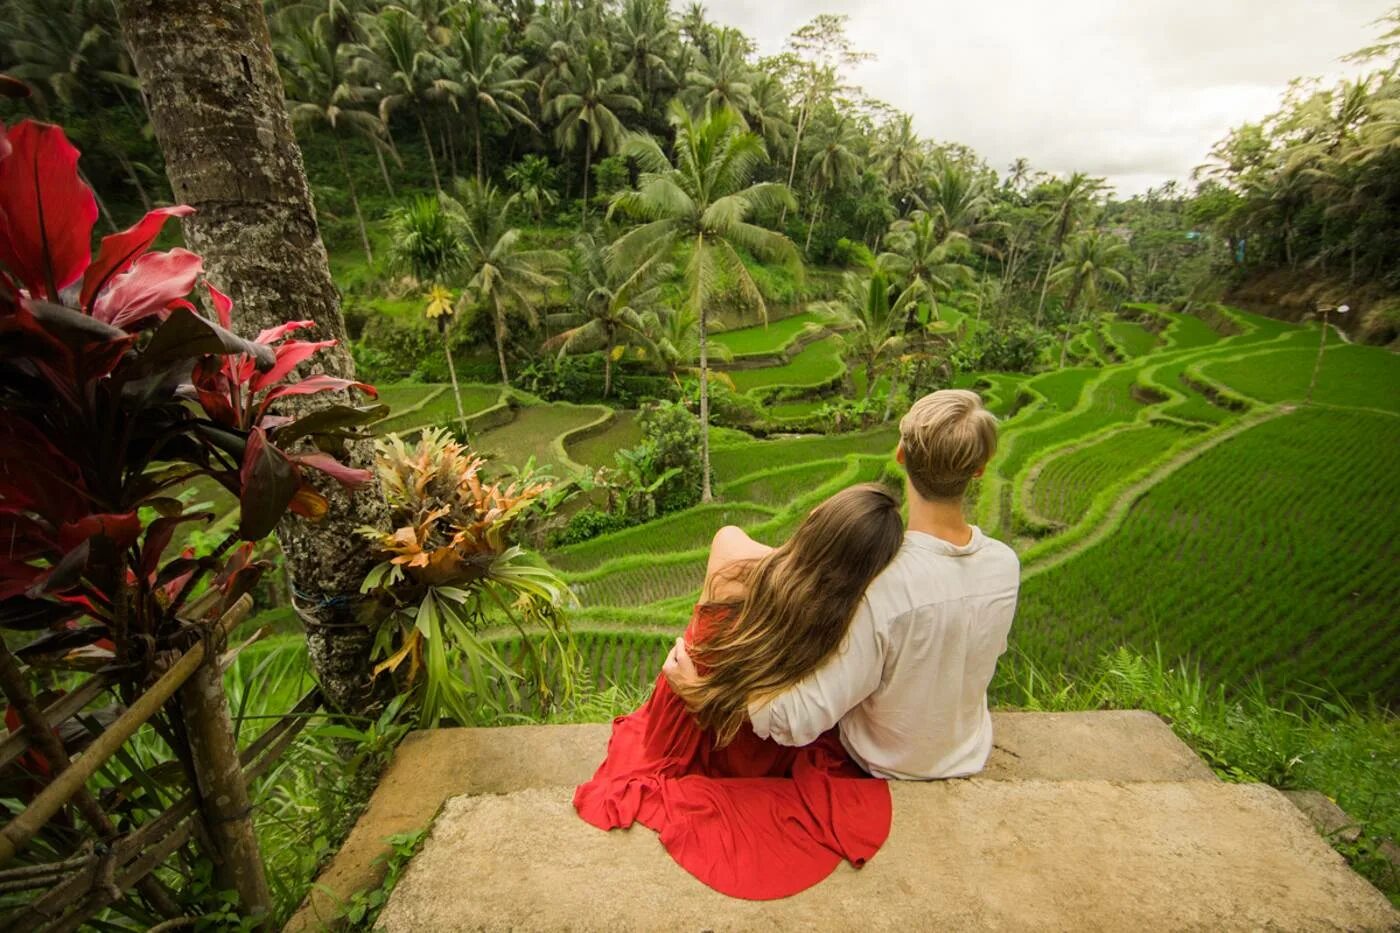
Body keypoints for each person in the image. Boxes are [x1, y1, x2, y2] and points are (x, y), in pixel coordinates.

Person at [665, 388, 1020, 780]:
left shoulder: (881, 584)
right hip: (966, 750)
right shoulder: (1004, 565)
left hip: (883, 763)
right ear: (980, 468)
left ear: (901, 455)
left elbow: (798, 717)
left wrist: (700, 691)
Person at [573, 483, 905, 900]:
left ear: (815, 521)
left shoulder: (732, 552)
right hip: (761, 751)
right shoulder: (843, 622)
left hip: (690, 726)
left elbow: (779, 577)